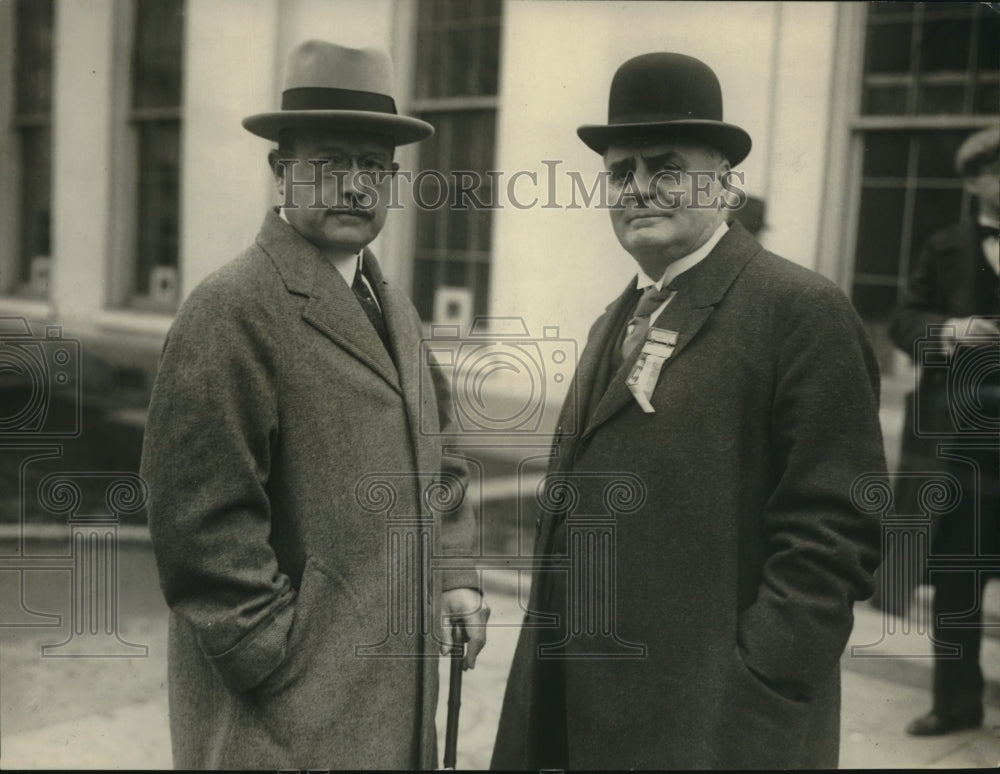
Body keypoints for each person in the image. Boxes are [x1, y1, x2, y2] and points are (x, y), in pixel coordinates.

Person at [491, 52, 886, 770]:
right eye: (620, 172)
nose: (639, 189)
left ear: (724, 181)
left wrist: (763, 681)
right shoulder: (621, 315)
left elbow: (836, 533)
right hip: (590, 715)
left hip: (713, 726)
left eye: (664, 167)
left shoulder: (800, 311)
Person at [140, 40, 488, 770]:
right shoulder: (231, 309)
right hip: (281, 726)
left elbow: (442, 454)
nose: (356, 188)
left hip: (389, 712)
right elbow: (200, 525)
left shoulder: (392, 307)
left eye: (373, 168)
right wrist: (279, 663)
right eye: (332, 164)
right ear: (281, 171)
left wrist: (454, 577)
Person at [890, 126, 999, 737]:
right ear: (973, 181)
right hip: (960, 452)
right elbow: (903, 321)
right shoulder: (944, 247)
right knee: (957, 586)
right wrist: (953, 331)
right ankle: (957, 706)